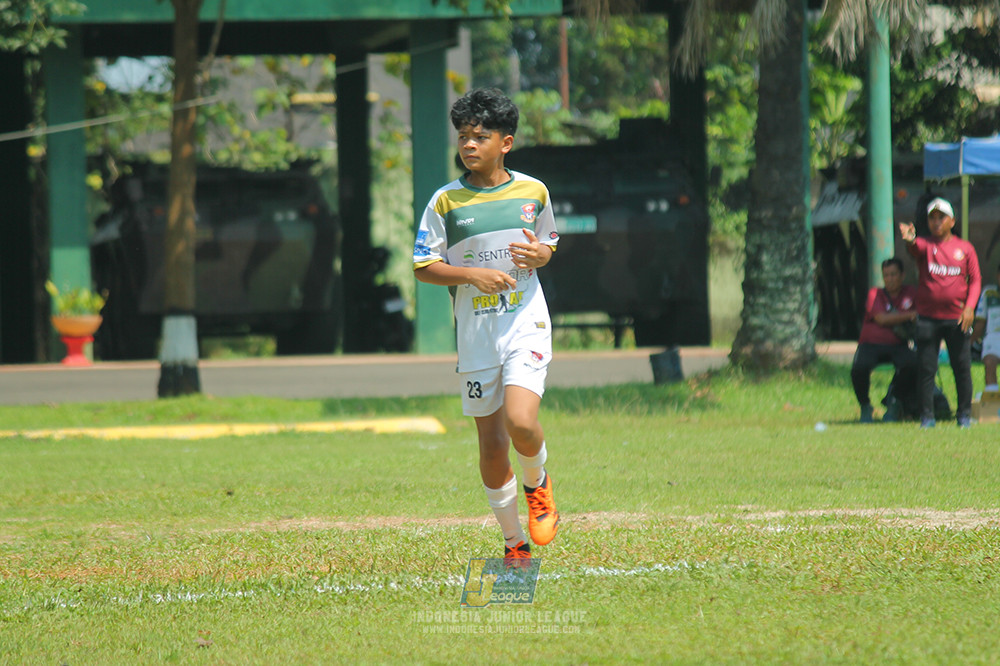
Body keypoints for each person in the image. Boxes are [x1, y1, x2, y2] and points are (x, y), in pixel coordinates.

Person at [412, 88, 560, 563]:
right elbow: (422, 265)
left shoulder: (533, 192)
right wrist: (471, 274)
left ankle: (538, 484)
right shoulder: (445, 202)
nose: (469, 145)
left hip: (525, 323)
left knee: (520, 421)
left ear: (506, 143)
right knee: (492, 444)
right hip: (476, 335)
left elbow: (546, 243)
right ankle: (514, 540)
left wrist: (543, 253)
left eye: (481, 136)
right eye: (463, 136)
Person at [899, 196, 982, 428]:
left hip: (957, 319)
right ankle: (927, 417)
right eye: (932, 218)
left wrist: (969, 308)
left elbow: (975, 280)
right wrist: (910, 239)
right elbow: (914, 247)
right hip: (928, 319)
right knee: (926, 369)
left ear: (952, 221)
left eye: (941, 218)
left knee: (962, 368)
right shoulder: (926, 246)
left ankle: (964, 415)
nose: (936, 222)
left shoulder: (965, 249)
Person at [850, 257, 919, 422]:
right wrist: (909, 315)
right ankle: (865, 406)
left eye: (893, 274)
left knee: (914, 364)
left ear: (902, 275)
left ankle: (894, 400)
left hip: (898, 345)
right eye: (886, 275)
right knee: (859, 368)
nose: (890, 279)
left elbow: (921, 315)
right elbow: (881, 319)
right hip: (870, 344)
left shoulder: (911, 293)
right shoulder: (875, 294)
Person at [972, 263, 1000, 394]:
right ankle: (993, 403)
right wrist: (969, 342)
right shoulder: (989, 293)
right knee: (989, 362)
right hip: (994, 337)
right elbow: (980, 323)